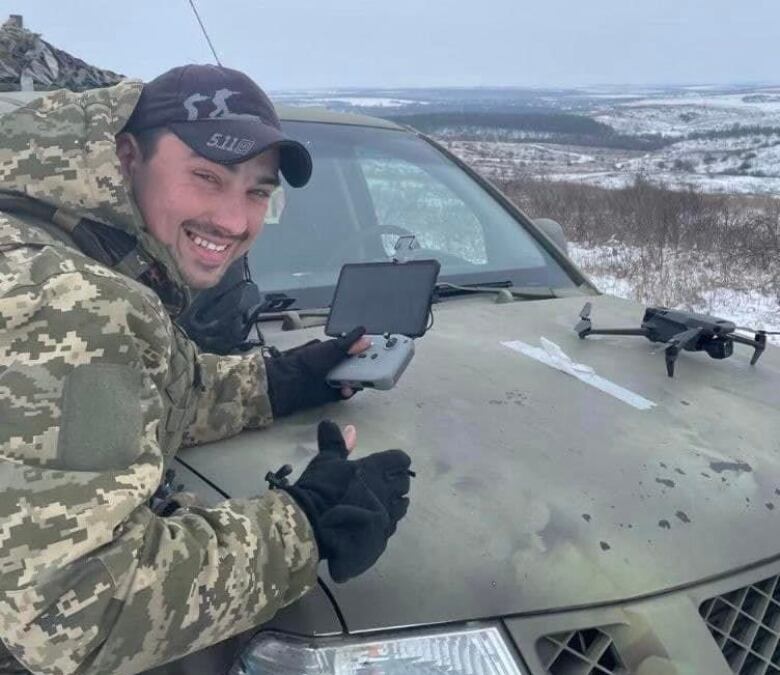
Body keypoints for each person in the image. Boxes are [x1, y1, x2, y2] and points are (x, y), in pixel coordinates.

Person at [0, 65, 412, 675]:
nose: (233, 220)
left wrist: (280, 380)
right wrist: (306, 523)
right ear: (126, 154)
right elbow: (77, 614)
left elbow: (127, 397)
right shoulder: (75, 300)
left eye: (256, 192)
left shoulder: (56, 248)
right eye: (205, 177)